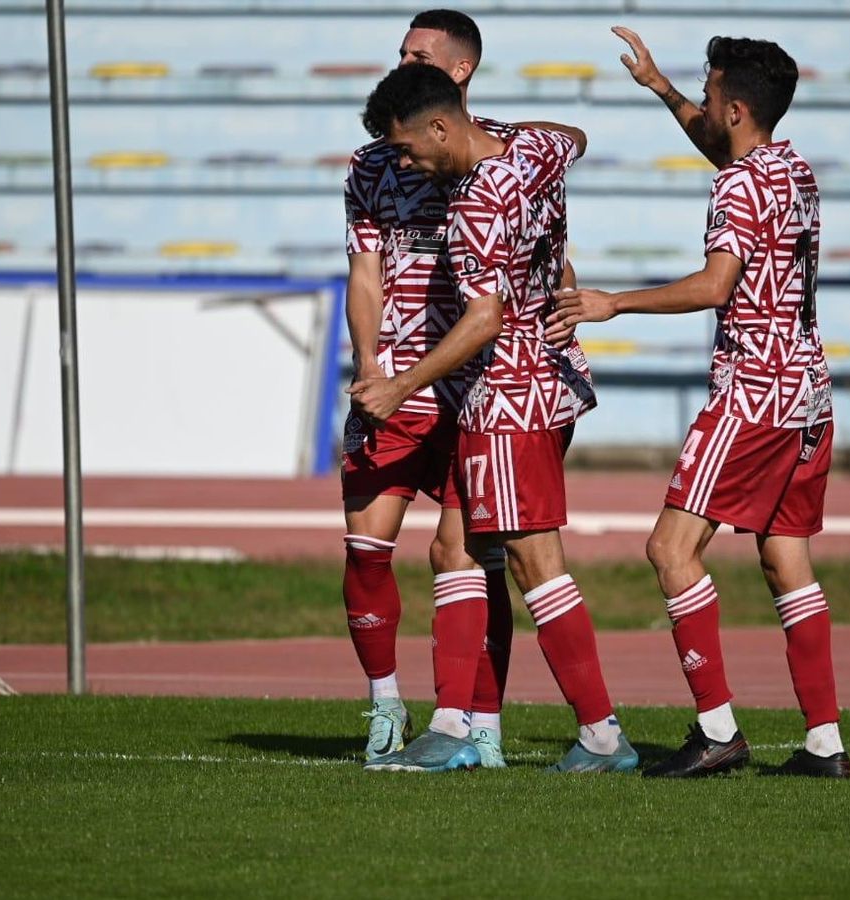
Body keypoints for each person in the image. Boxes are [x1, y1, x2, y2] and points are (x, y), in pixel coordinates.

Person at [547, 31, 850, 779]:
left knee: (670, 550)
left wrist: (613, 302)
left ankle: (717, 730)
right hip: (808, 393)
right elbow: (722, 146)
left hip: (753, 395)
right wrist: (660, 87)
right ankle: (825, 744)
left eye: (710, 94)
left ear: (737, 108)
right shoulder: (791, 169)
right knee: (785, 558)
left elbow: (717, 285)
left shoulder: (737, 186)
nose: (704, 106)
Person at [352, 63, 636, 773]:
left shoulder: (474, 204)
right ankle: (454, 724)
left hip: (509, 394)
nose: (405, 164)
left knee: (535, 563)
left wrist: (400, 386)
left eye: (409, 149)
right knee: (462, 550)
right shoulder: (535, 151)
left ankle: (601, 734)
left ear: (441, 127)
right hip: (551, 379)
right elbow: (575, 135)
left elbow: (484, 319)